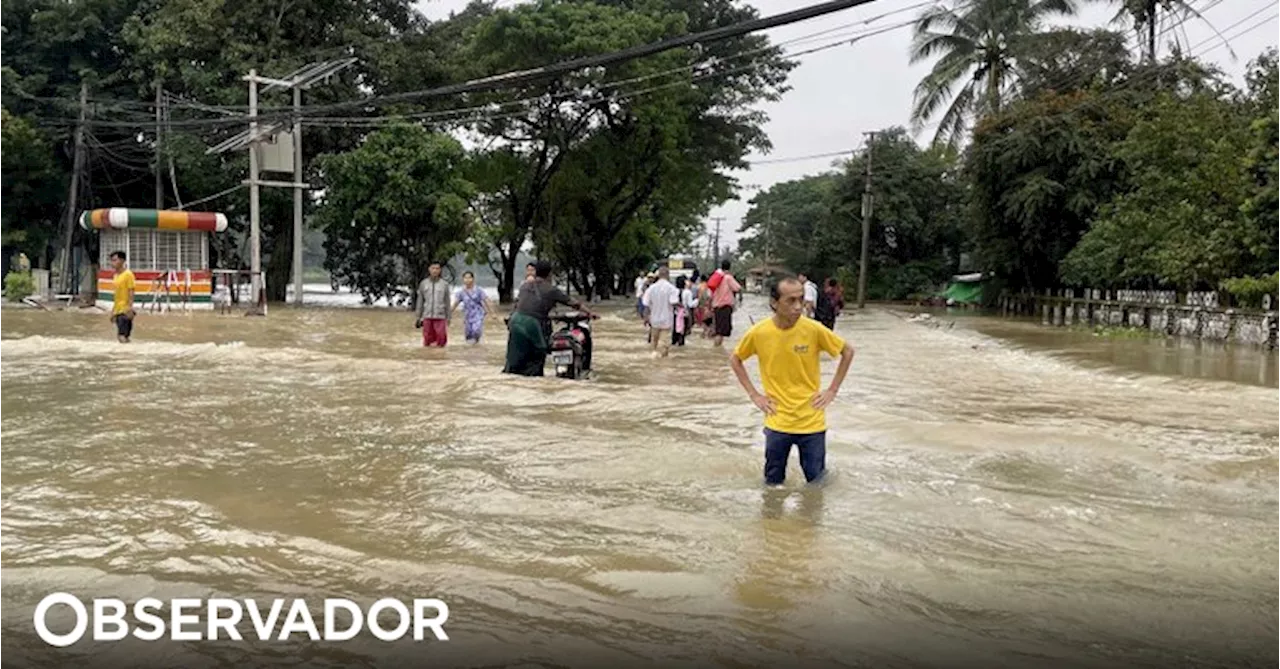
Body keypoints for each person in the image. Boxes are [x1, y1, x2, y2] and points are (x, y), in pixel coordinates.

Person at [729, 277, 855, 487]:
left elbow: (847, 351)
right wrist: (754, 395)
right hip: (777, 419)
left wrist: (832, 390)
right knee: (772, 485)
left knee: (816, 485)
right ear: (774, 303)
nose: (798, 307)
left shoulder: (813, 329)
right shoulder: (759, 332)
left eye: (801, 299)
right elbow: (735, 359)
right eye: (791, 301)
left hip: (811, 420)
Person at [504, 260, 597, 376]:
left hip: (515, 320)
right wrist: (590, 313)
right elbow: (573, 304)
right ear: (549, 274)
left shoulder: (524, 286)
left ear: (536, 272)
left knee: (514, 356)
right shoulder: (551, 289)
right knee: (538, 354)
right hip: (531, 323)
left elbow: (524, 305)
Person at [642, 267, 680, 358]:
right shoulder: (672, 288)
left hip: (654, 320)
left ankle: (653, 357)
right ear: (668, 275)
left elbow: (646, 304)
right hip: (666, 320)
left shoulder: (651, 288)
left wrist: (645, 317)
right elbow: (673, 302)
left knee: (654, 342)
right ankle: (663, 361)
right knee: (664, 343)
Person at [414, 262, 452, 347]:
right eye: (433, 268)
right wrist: (418, 317)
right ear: (429, 269)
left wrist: (448, 317)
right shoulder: (423, 284)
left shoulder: (444, 285)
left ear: (440, 270)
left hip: (440, 316)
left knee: (441, 339)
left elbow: (447, 301)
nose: (435, 270)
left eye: (437, 268)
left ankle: (440, 357)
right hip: (427, 316)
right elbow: (420, 301)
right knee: (427, 339)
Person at [451, 271, 492, 344]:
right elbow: (456, 303)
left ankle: (476, 342)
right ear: (463, 279)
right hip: (467, 314)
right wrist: (449, 313)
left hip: (478, 313)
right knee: (468, 334)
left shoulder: (479, 290)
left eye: (469, 277)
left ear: (473, 279)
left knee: (476, 330)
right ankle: (471, 349)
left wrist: (492, 313)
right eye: (465, 278)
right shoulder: (461, 292)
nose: (467, 280)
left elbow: (486, 301)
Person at [710, 260, 741, 347]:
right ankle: (716, 350)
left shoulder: (717, 277)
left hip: (716, 306)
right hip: (725, 307)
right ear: (729, 267)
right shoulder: (728, 278)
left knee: (718, 331)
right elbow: (737, 288)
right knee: (721, 332)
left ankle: (717, 350)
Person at [108, 250, 136, 343]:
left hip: (125, 310)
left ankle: (124, 355)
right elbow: (117, 295)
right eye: (112, 260)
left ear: (122, 261)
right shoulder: (116, 276)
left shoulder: (128, 274)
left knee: (121, 336)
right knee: (124, 336)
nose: (112, 263)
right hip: (118, 309)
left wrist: (129, 308)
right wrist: (113, 311)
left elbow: (131, 291)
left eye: (115, 260)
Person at [671, 275, 697, 347]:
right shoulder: (687, 292)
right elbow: (690, 305)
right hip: (684, 315)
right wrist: (698, 300)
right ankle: (681, 346)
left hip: (675, 314)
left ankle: (674, 345)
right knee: (682, 333)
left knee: (675, 332)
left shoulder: (674, 291)